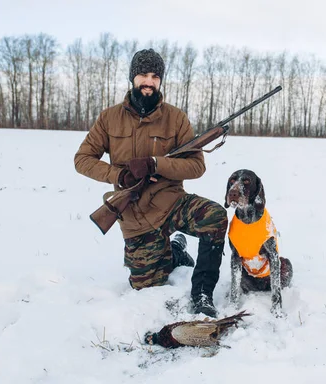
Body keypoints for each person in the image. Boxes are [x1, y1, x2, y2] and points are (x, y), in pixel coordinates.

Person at [74, 48, 227, 317]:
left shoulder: (175, 117)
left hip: (173, 202)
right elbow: (82, 159)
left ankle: (202, 292)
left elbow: (196, 165)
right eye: (143, 74)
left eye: (155, 76)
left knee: (215, 217)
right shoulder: (109, 118)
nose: (149, 81)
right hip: (135, 216)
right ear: (133, 77)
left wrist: (157, 164)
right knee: (146, 287)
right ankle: (175, 251)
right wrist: (118, 176)